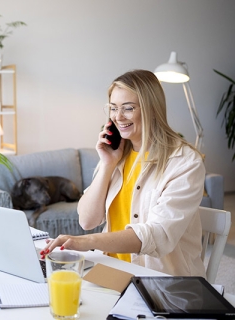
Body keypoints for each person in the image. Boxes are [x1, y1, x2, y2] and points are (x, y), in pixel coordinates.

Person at [41, 69, 206, 277]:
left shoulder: (184, 162)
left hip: (160, 281)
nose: (118, 117)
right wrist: (107, 165)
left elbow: (158, 235)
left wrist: (85, 241)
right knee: (55, 290)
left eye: (128, 108)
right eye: (113, 108)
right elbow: (87, 220)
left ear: (151, 109)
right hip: (111, 270)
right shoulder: (117, 154)